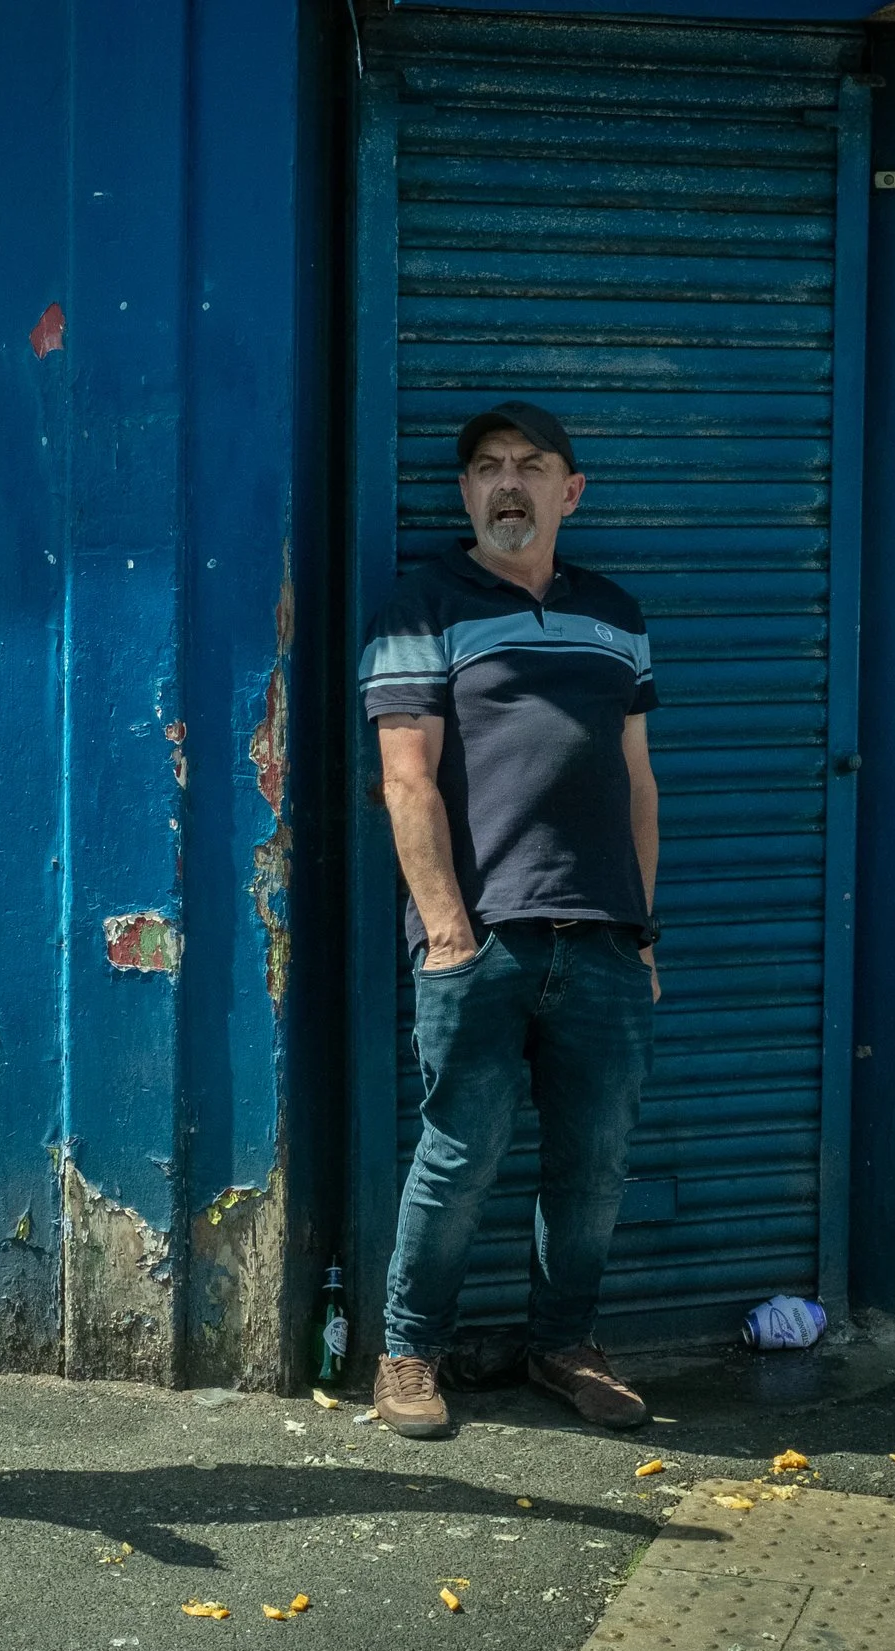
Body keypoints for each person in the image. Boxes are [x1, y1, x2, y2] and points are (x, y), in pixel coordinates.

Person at [359, 400, 660, 1439]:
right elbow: (406, 777)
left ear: (569, 492)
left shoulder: (616, 612)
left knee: (595, 1162)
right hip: (481, 937)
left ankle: (564, 1343)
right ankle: (406, 1354)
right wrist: (446, 931)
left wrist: (643, 930)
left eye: (531, 466)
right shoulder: (421, 605)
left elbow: (637, 783)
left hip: (605, 937)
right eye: (487, 466)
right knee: (458, 1156)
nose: (508, 483)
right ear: (465, 492)